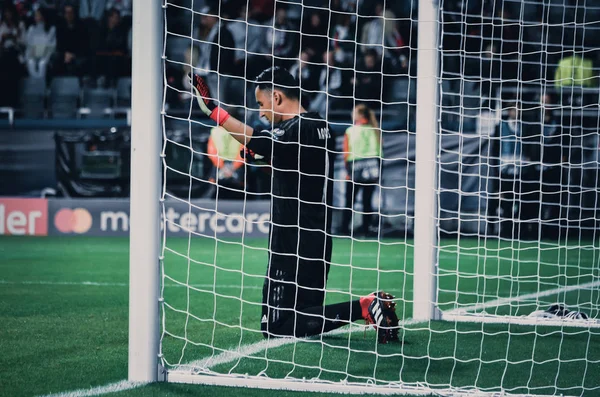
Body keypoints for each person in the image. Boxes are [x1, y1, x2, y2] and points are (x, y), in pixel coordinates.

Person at [189, 66, 398, 343]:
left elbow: (262, 140)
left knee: (275, 327)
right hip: (317, 237)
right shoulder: (320, 126)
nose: (261, 113)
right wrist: (263, 161)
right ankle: (370, 307)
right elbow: (289, 165)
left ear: (276, 97)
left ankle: (364, 306)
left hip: (291, 241)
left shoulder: (299, 128)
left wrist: (215, 112)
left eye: (261, 104)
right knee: (307, 316)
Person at [341, 104, 382, 237]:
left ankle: (344, 228)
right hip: (371, 168)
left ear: (359, 115)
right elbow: (379, 151)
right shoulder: (374, 130)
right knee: (367, 201)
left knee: (349, 200)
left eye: (354, 112)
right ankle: (366, 229)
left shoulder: (350, 131)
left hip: (354, 168)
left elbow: (346, 152)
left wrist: (347, 169)